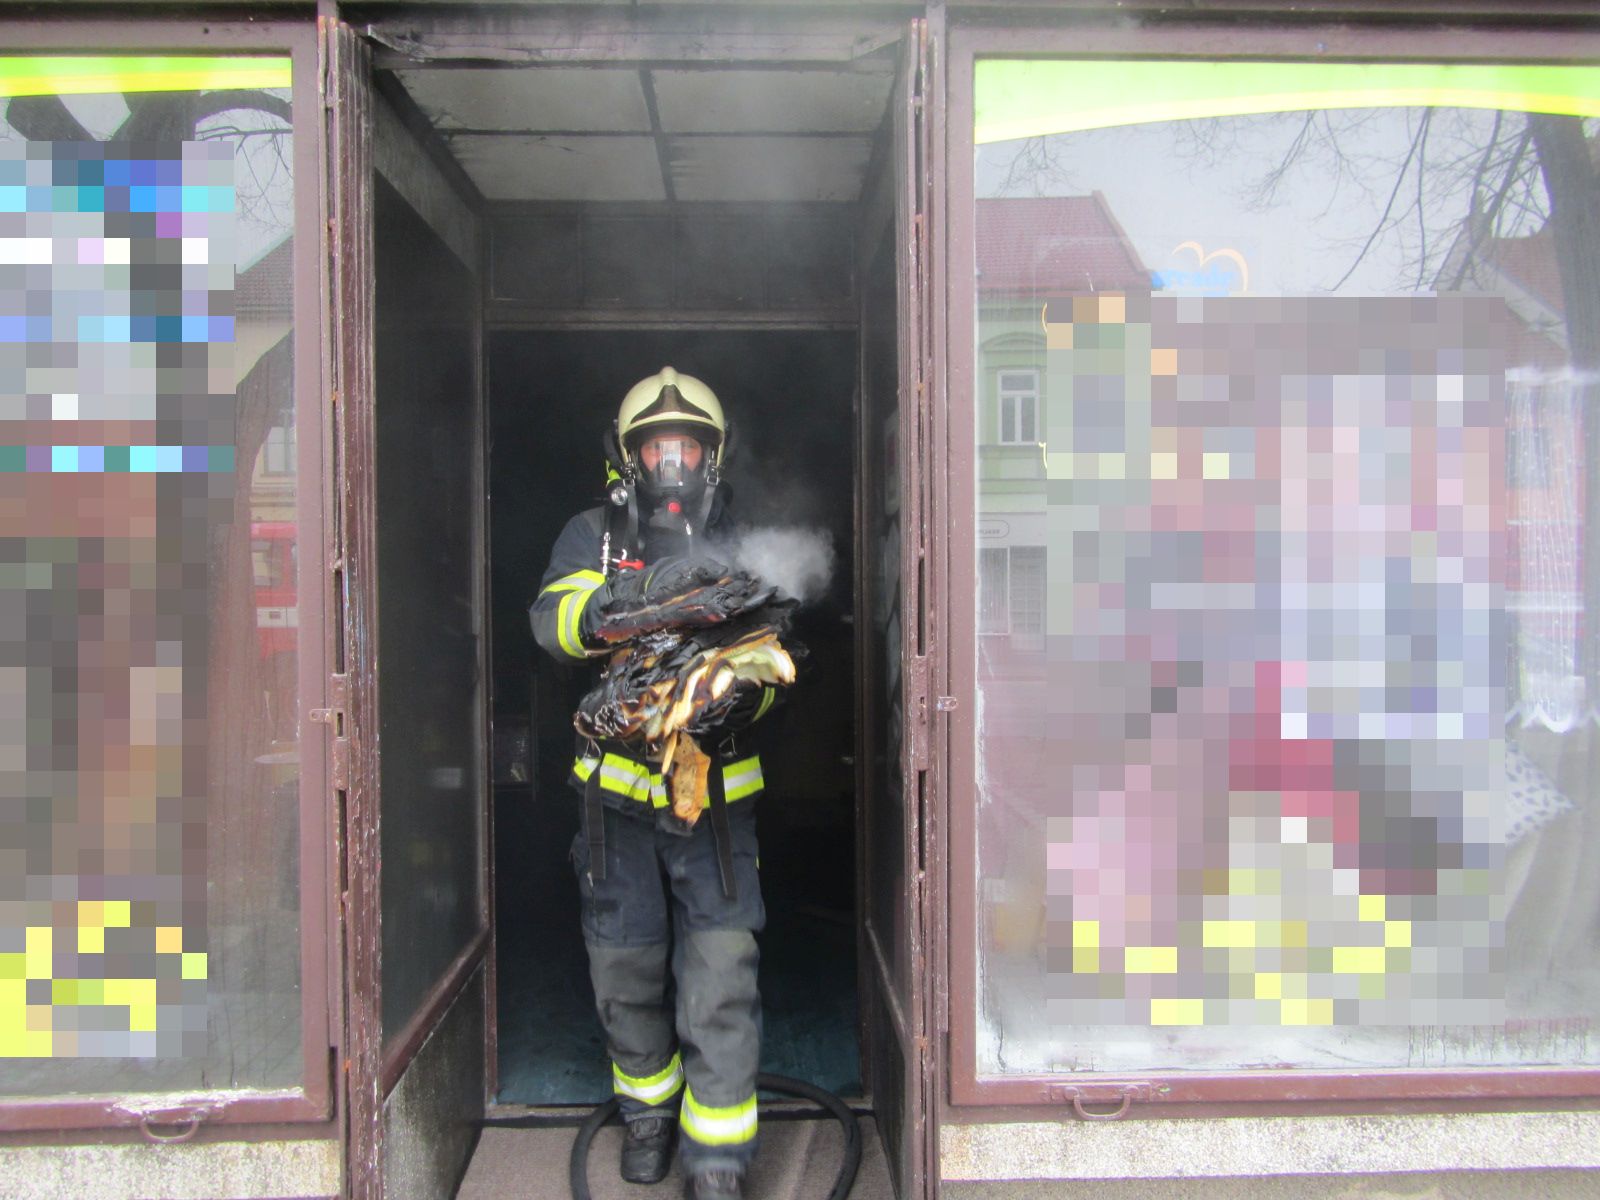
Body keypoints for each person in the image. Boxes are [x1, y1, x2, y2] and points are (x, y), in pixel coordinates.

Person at [530, 367, 778, 1200]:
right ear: (628, 457)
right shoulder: (591, 538)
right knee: (624, 972)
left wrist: (740, 695)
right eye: (656, 447)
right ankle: (647, 1119)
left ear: (713, 455)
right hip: (615, 812)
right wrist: (632, 598)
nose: (672, 462)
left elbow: (776, 654)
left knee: (722, 974)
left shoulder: (743, 541)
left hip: (716, 810)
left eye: (687, 447)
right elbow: (555, 624)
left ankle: (717, 1158)